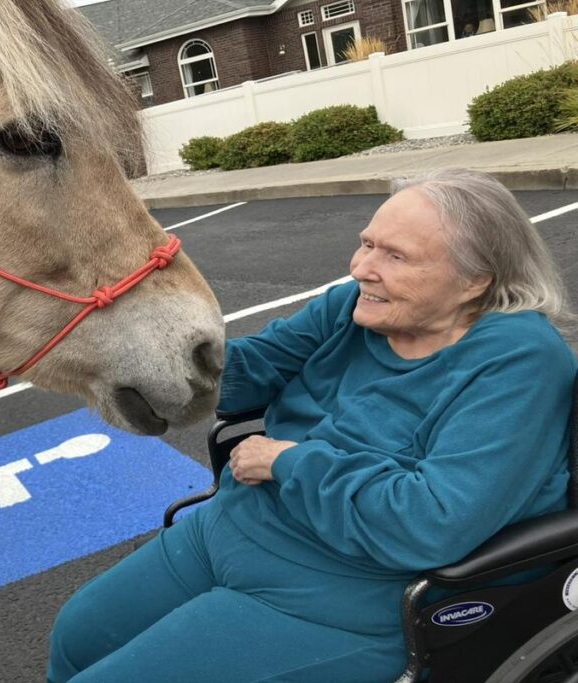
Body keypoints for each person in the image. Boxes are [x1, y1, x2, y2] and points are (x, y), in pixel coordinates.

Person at [47, 169, 577, 682]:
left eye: (396, 256)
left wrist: (287, 462)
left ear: (474, 281)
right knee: (76, 639)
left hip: (345, 590)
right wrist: (142, 351)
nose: (363, 267)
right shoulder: (357, 304)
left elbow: (433, 522)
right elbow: (254, 366)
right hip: (238, 525)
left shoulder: (517, 362)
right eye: (367, 243)